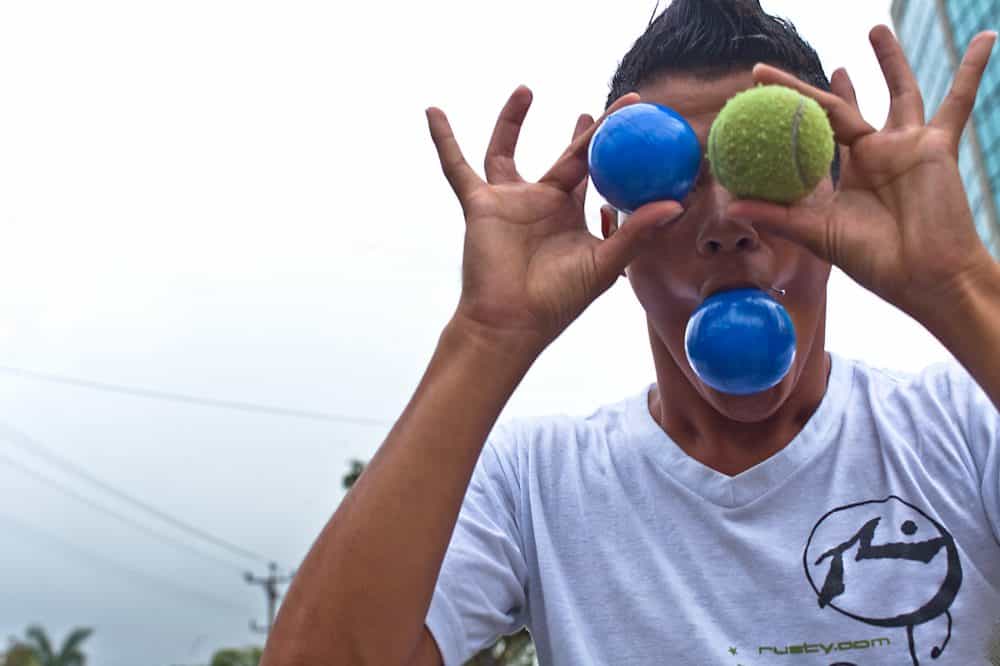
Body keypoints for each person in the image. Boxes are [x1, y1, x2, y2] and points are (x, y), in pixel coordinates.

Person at [261, 1, 1000, 664]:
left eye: (765, 175)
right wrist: (487, 335)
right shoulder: (534, 485)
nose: (725, 225)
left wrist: (956, 283)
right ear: (611, 230)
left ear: (840, 197)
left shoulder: (960, 432)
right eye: (670, 184)